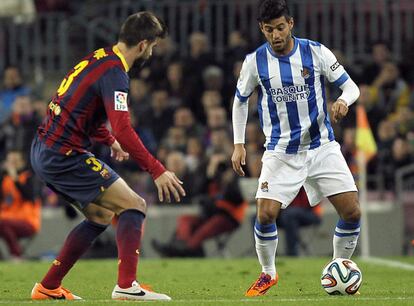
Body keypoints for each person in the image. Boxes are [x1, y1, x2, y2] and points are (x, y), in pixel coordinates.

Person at [30, 11, 185, 301]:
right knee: (134, 205)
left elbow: (82, 108)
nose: (151, 52)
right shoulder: (116, 73)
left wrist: (108, 140)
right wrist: (157, 170)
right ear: (143, 45)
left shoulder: (99, 57)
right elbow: (125, 129)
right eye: (152, 46)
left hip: (44, 148)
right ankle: (127, 286)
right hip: (64, 155)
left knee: (101, 215)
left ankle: (48, 286)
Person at [231, 0, 361, 297]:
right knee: (265, 214)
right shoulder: (255, 62)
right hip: (281, 151)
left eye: (279, 27)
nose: (275, 35)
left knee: (352, 212)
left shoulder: (316, 52)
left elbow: (351, 87)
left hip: (321, 147)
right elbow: (240, 100)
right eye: (268, 30)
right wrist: (238, 144)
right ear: (261, 29)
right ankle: (268, 274)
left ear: (290, 24)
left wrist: (343, 101)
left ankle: (338, 268)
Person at [0, 150, 41, 260]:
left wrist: (15, 178)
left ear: (22, 162)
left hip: (27, 221)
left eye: (15, 161)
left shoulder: (29, 177)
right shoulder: (5, 179)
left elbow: (29, 196)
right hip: (7, 218)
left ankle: (16, 255)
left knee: (3, 224)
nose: (11, 165)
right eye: (9, 161)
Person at [277, 187, 321, 256]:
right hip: (287, 215)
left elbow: (311, 202)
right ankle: (265, 254)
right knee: (258, 217)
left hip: (311, 213)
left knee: (290, 214)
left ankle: (292, 253)